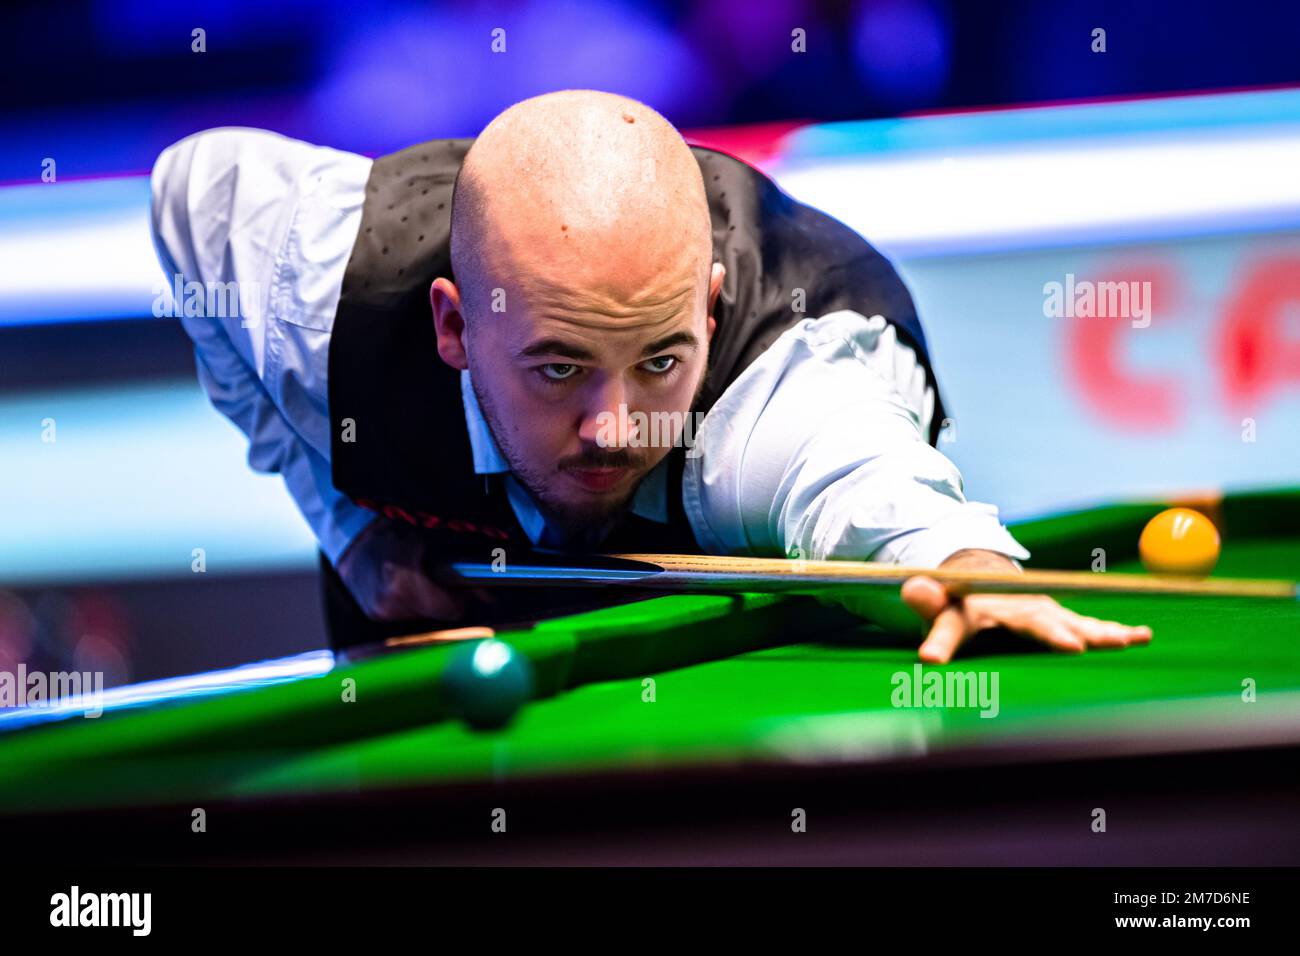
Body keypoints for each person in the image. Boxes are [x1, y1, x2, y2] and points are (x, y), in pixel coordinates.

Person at [150, 89, 1150, 662]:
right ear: (455, 326)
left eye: (660, 360)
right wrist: (350, 528)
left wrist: (967, 567)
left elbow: (868, 486)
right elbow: (185, 194)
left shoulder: (773, 399)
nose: (616, 426)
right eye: (559, 366)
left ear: (708, 310)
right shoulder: (322, 291)